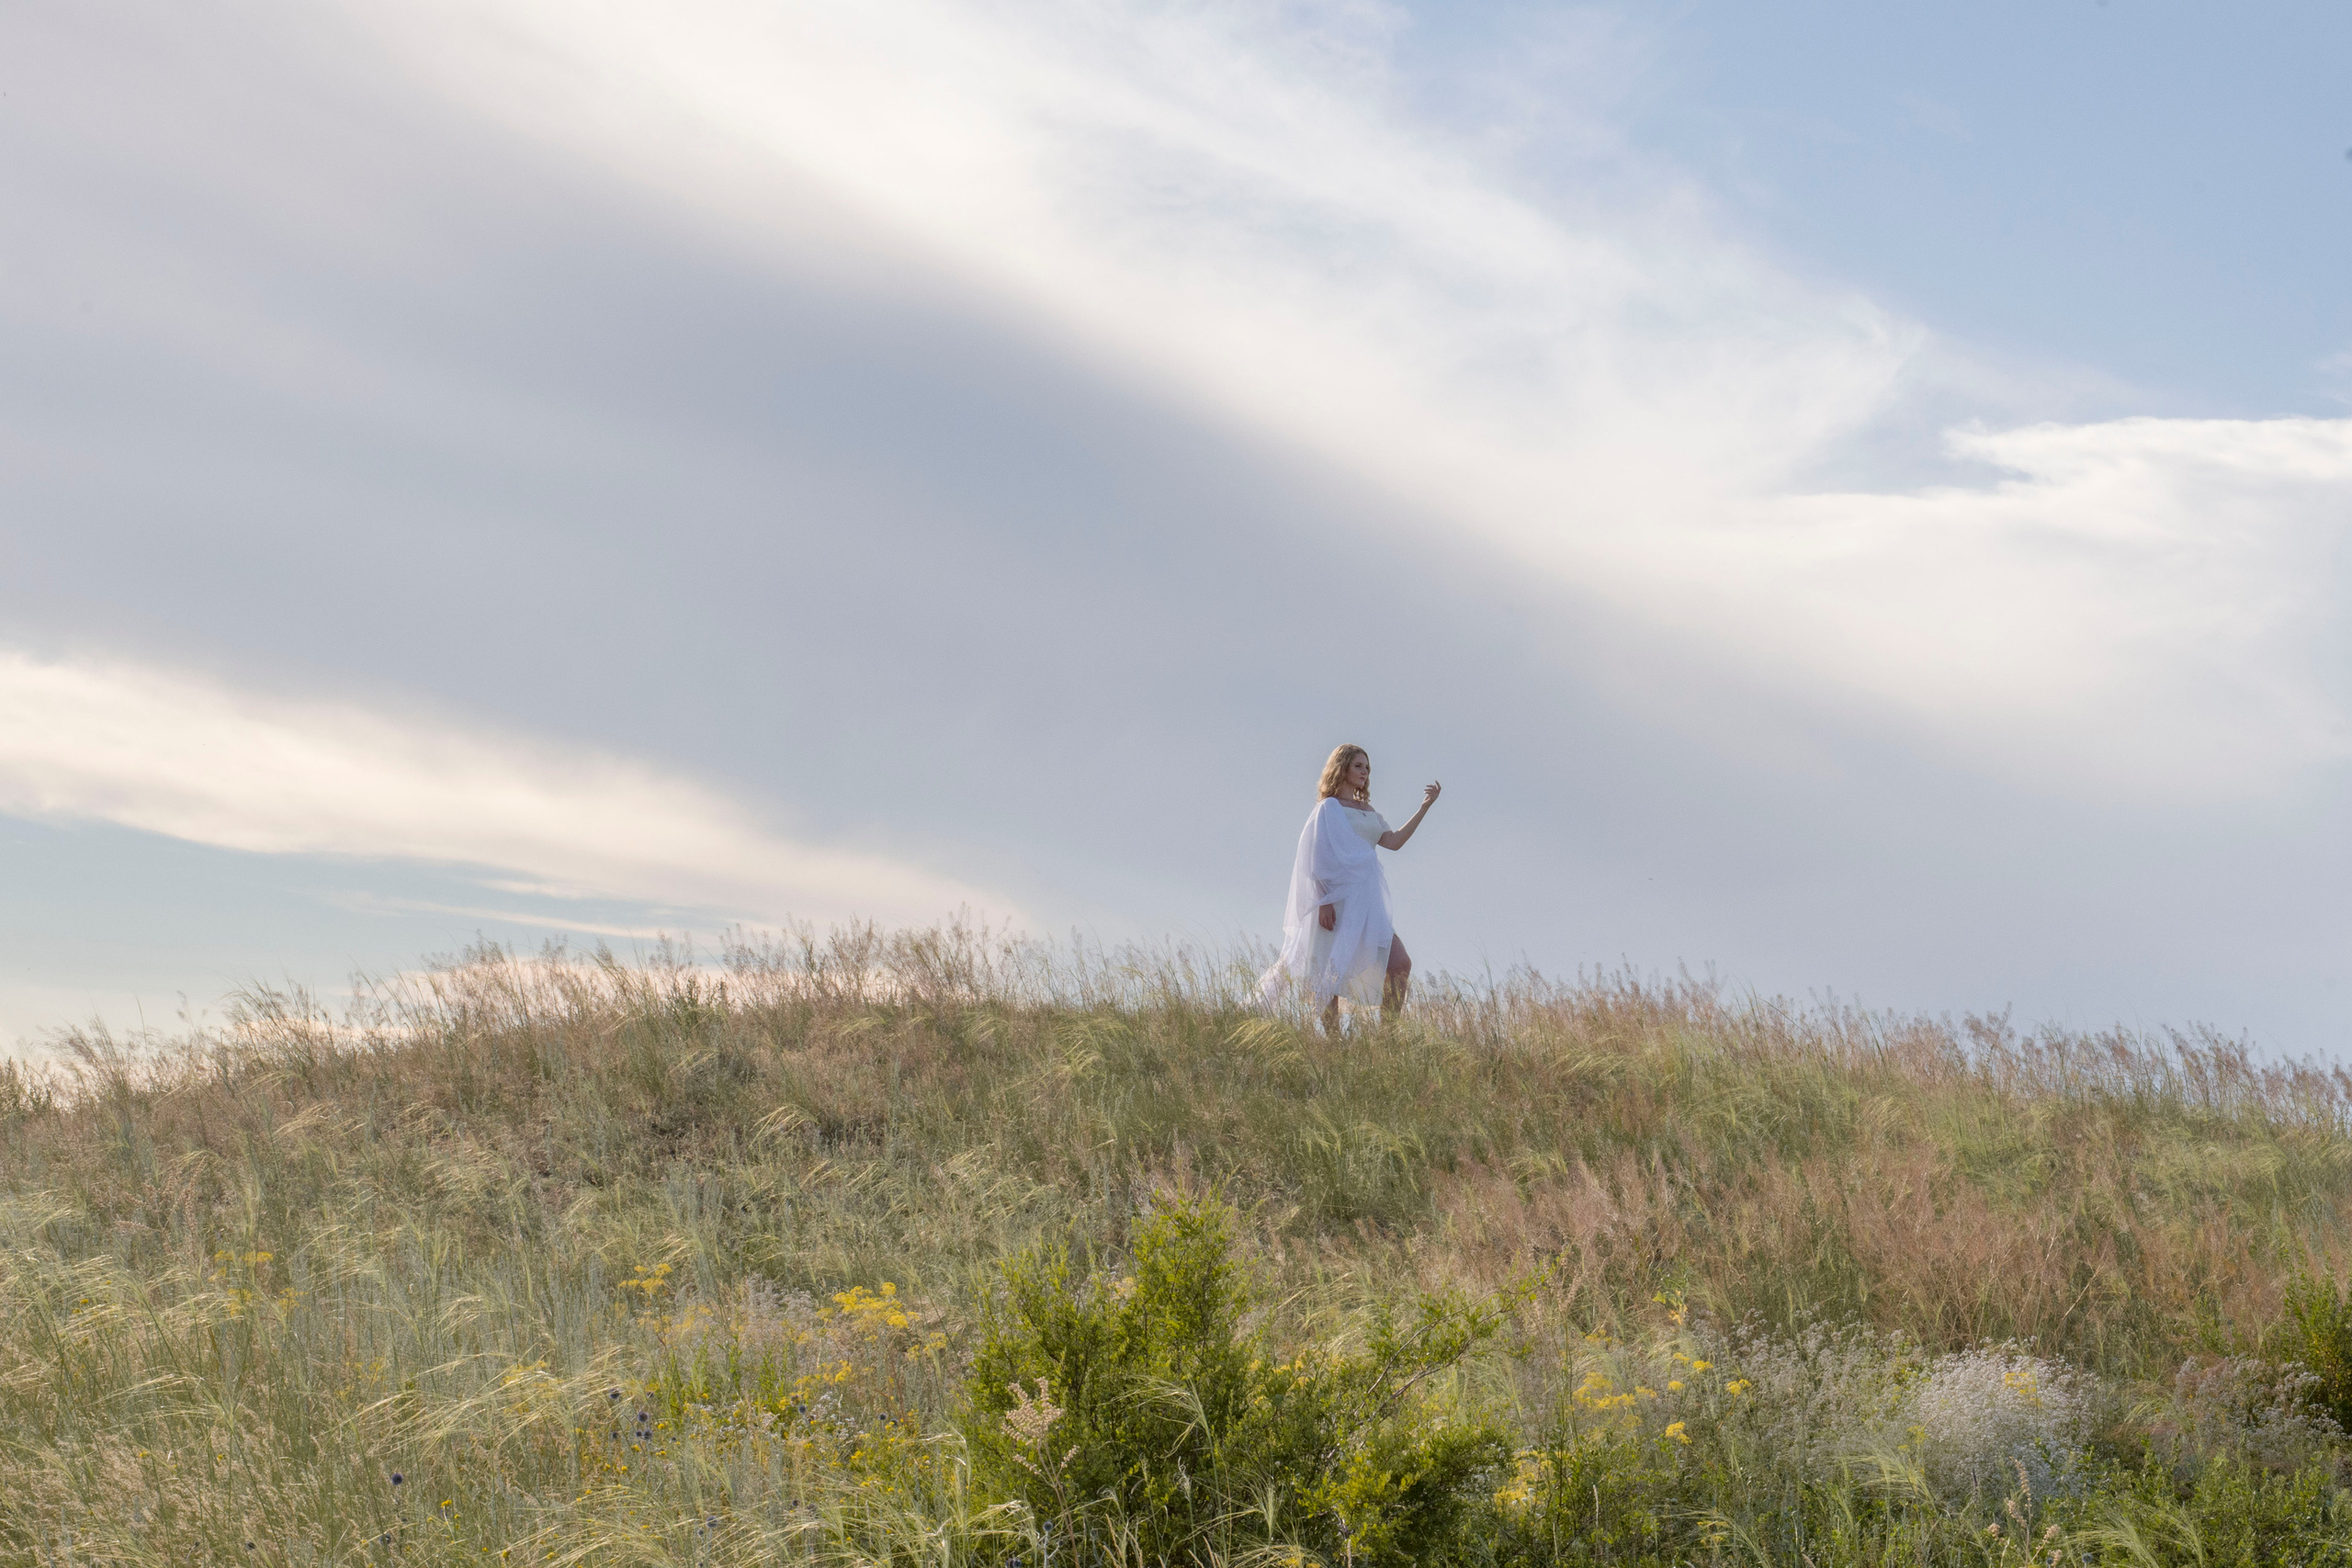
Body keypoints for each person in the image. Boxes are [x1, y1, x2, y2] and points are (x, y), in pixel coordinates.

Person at [1261, 743, 1442, 1031]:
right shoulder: (1328, 808)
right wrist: (1323, 901)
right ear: (1342, 768)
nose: (1365, 772)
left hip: (1368, 903)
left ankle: (1388, 1034)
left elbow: (1393, 842)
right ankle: (1333, 1045)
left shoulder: (1367, 810)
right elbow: (1314, 854)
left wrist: (1424, 807)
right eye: (1358, 766)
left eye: (1367, 768)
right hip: (1336, 900)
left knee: (1399, 964)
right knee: (1331, 972)